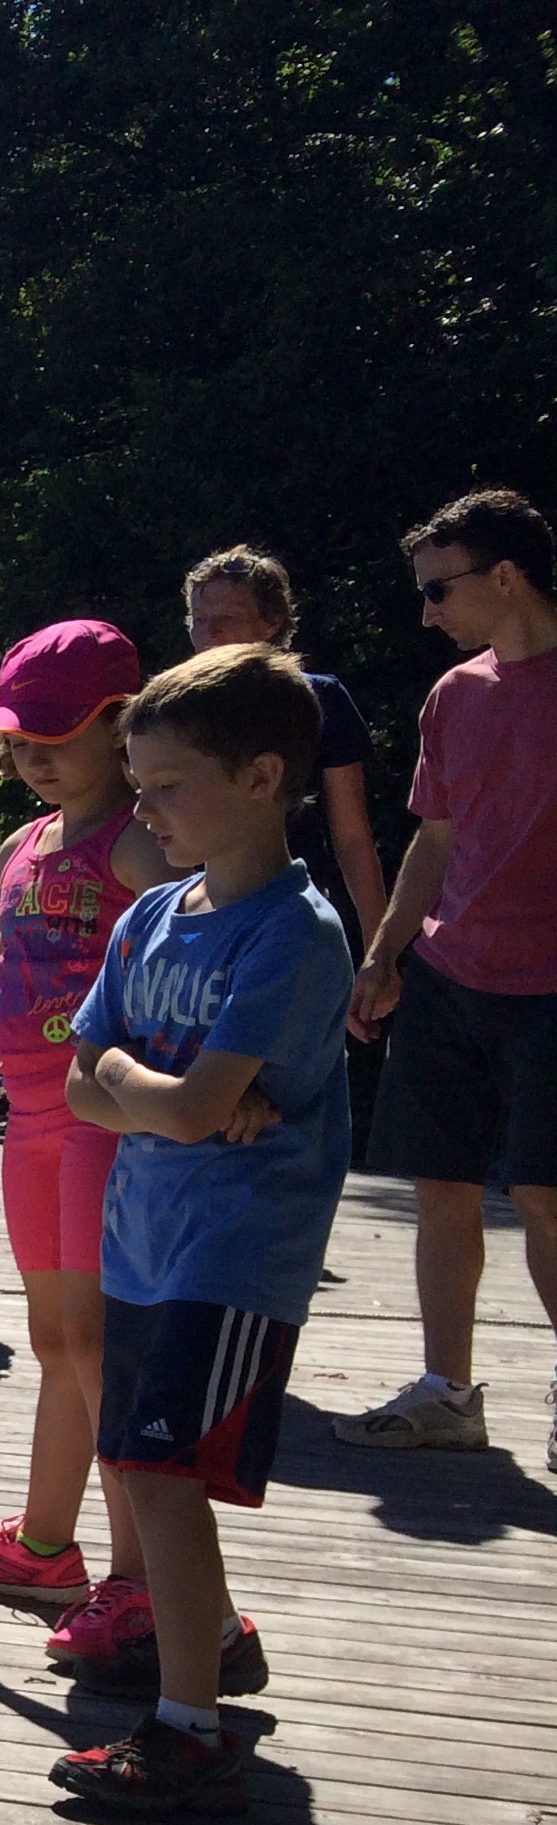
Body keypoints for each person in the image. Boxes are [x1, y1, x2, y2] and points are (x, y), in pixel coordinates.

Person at [52, 643, 351, 1816]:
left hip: (234, 1253)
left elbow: (167, 1103)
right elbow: (82, 1085)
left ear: (263, 776)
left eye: (169, 786)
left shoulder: (293, 934)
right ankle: (213, 1640)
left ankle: (190, 1730)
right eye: (138, 786)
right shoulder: (151, 917)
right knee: (140, 1459)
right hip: (141, 1239)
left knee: (162, 1472)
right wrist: (157, 1090)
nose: (145, 812)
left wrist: (144, 1088)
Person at [0, 620, 170, 1665]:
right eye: (18, 741)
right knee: (57, 1342)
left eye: (54, 737)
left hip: (110, 1125)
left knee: (100, 1347)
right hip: (28, 1127)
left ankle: (142, 1579)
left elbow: (205, 968)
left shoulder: (144, 844)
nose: (32, 758)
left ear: (120, 723)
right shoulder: (20, 851)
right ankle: (47, 1547)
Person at [336, 489, 557, 1466]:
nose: (426, 613)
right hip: (450, 974)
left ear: (505, 576)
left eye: (438, 590)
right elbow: (435, 838)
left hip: (549, 989)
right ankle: (447, 1393)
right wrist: (384, 953)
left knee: (545, 1195)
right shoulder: (454, 695)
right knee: (441, 1187)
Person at [183, 547, 390, 1154]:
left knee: (293, 1095)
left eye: (226, 619)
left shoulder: (318, 701)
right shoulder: (176, 707)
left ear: (272, 622)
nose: (208, 634)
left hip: (295, 917)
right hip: (202, 918)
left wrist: (379, 951)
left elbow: (351, 835)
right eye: (198, 620)